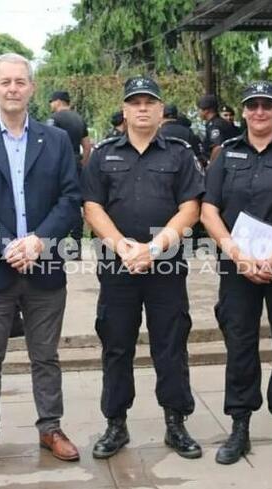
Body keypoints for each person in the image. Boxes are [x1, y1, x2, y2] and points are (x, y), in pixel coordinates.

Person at [0, 53, 82, 473]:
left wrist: (39, 242)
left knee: (45, 356)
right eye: (4, 82)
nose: (12, 89)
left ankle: (51, 428)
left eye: (20, 82)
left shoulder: (56, 140)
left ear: (32, 88)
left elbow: (70, 198)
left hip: (45, 268)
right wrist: (9, 244)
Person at [82, 76, 205, 460]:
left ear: (160, 108)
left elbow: (191, 208)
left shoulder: (179, 153)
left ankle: (176, 423)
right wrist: (123, 247)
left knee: (170, 345)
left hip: (165, 266)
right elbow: (91, 206)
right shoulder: (103, 154)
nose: (142, 108)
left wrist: (153, 248)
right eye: (134, 102)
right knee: (116, 345)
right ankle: (115, 424)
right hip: (118, 269)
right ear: (124, 110)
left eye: (149, 102)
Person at [200, 80, 272, 468]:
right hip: (238, 268)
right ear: (245, 111)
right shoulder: (227, 153)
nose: (259, 113)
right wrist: (237, 254)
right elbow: (208, 210)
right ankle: (239, 426)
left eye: (267, 106)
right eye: (252, 106)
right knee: (240, 345)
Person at [47, 90, 91, 252]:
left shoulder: (54, 119)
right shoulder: (79, 118)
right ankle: (76, 246)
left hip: (58, 166)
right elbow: (87, 146)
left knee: (56, 203)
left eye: (51, 102)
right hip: (76, 163)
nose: (51, 105)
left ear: (58, 101)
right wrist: (83, 164)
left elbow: (48, 144)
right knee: (74, 203)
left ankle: (55, 243)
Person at [198, 94, 239, 164]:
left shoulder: (215, 125)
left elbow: (218, 148)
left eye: (200, 109)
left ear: (207, 111)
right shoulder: (219, 122)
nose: (199, 112)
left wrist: (211, 167)